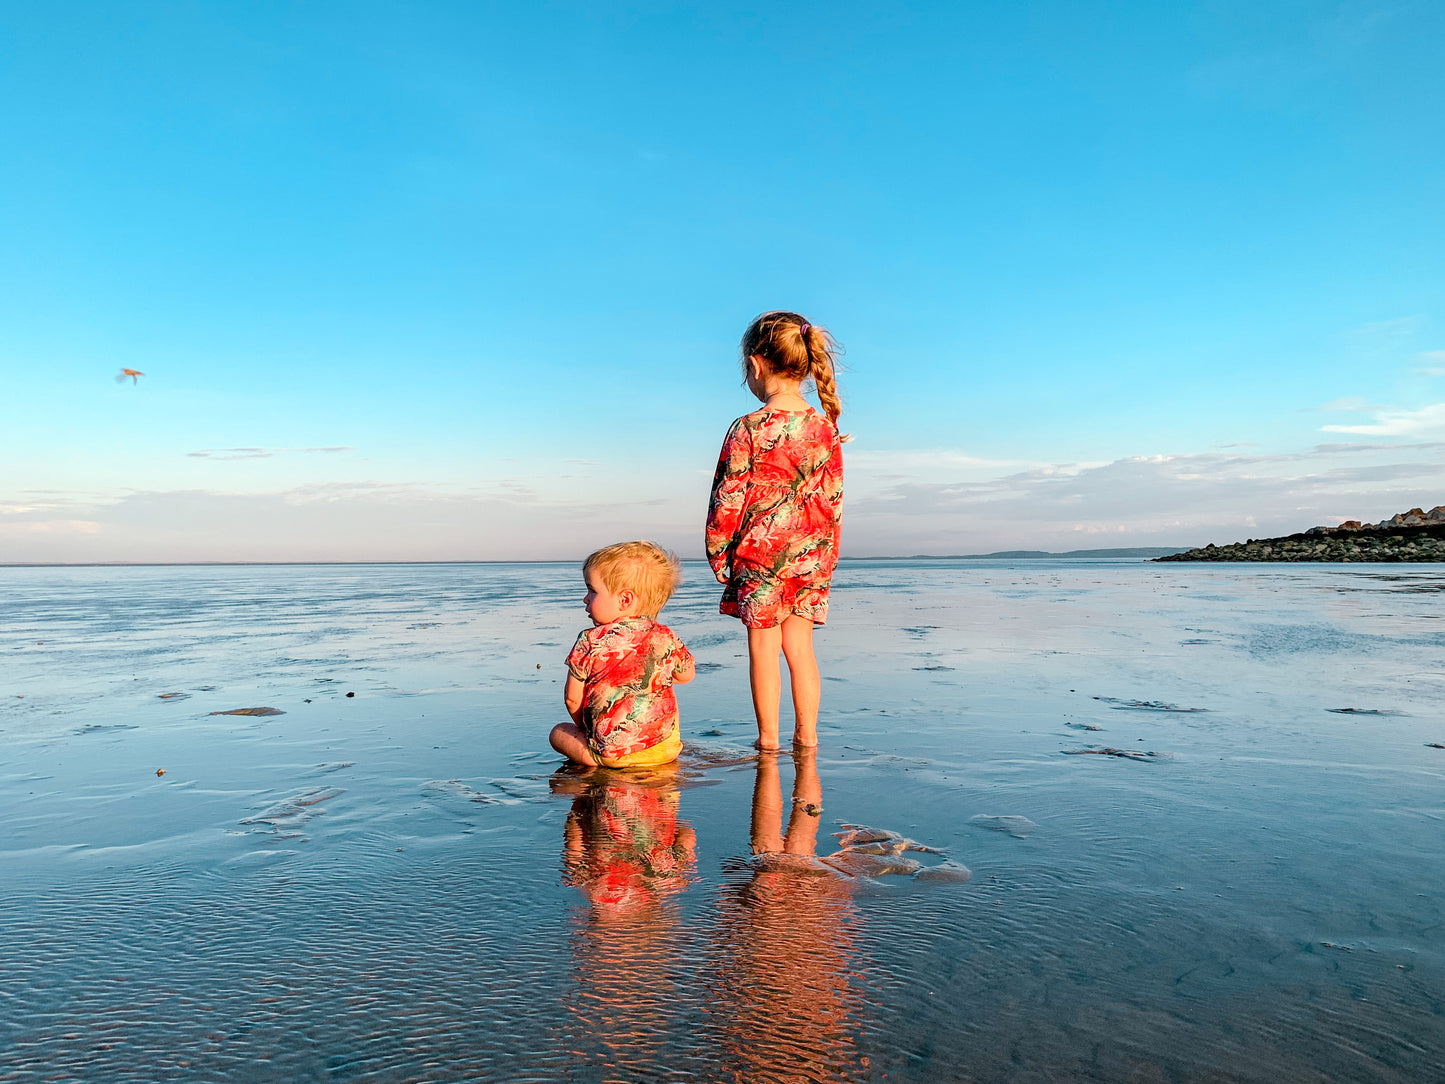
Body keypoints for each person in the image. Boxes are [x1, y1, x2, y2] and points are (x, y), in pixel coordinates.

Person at [705, 311, 844, 751]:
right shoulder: (825, 428)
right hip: (811, 555)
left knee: (763, 649)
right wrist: (827, 558)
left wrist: (718, 554)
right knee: (800, 649)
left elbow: (727, 498)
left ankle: (767, 740)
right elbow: (833, 501)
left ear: (755, 365)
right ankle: (807, 735)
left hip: (759, 557)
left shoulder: (748, 427)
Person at [550, 541, 696, 768]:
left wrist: (588, 731)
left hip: (613, 752)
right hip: (665, 749)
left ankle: (593, 758)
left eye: (592, 590)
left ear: (625, 600)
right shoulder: (665, 636)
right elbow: (687, 676)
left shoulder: (589, 640)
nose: (585, 599)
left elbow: (572, 699)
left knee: (558, 733)